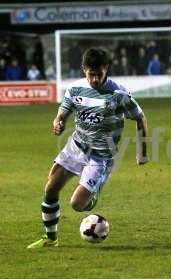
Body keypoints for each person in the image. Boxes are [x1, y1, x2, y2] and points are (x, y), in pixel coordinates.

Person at [27, 48, 148, 248]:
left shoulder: (118, 94)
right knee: (50, 188)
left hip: (101, 156)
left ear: (106, 69)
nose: (94, 79)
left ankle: (93, 194)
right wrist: (58, 122)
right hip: (76, 146)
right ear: (84, 70)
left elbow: (140, 118)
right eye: (91, 75)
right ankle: (51, 238)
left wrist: (142, 152)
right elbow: (62, 113)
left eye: (99, 75)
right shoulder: (75, 89)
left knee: (77, 205)